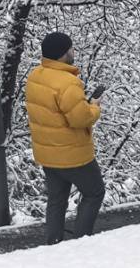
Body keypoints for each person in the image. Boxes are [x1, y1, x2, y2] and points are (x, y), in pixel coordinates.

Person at [24, 31, 106, 244]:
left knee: (57, 199)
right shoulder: (67, 83)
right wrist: (94, 108)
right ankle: (81, 241)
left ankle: (54, 242)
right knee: (94, 192)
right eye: (71, 48)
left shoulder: (35, 76)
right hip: (72, 154)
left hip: (48, 153)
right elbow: (80, 119)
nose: (73, 51)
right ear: (63, 53)